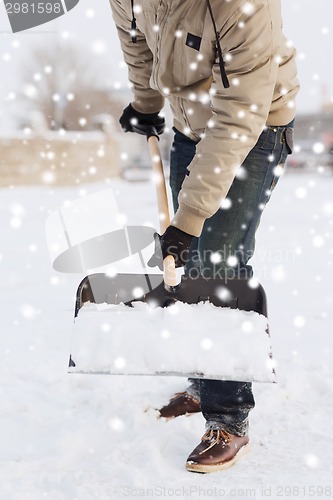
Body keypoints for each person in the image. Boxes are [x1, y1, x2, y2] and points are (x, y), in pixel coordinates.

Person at [109, 0, 299, 473]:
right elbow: (139, 45)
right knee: (192, 267)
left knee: (217, 266)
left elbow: (239, 118)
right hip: (191, 126)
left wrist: (189, 218)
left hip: (253, 130)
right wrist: (146, 103)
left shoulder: (241, 5)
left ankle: (229, 419)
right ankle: (205, 379)